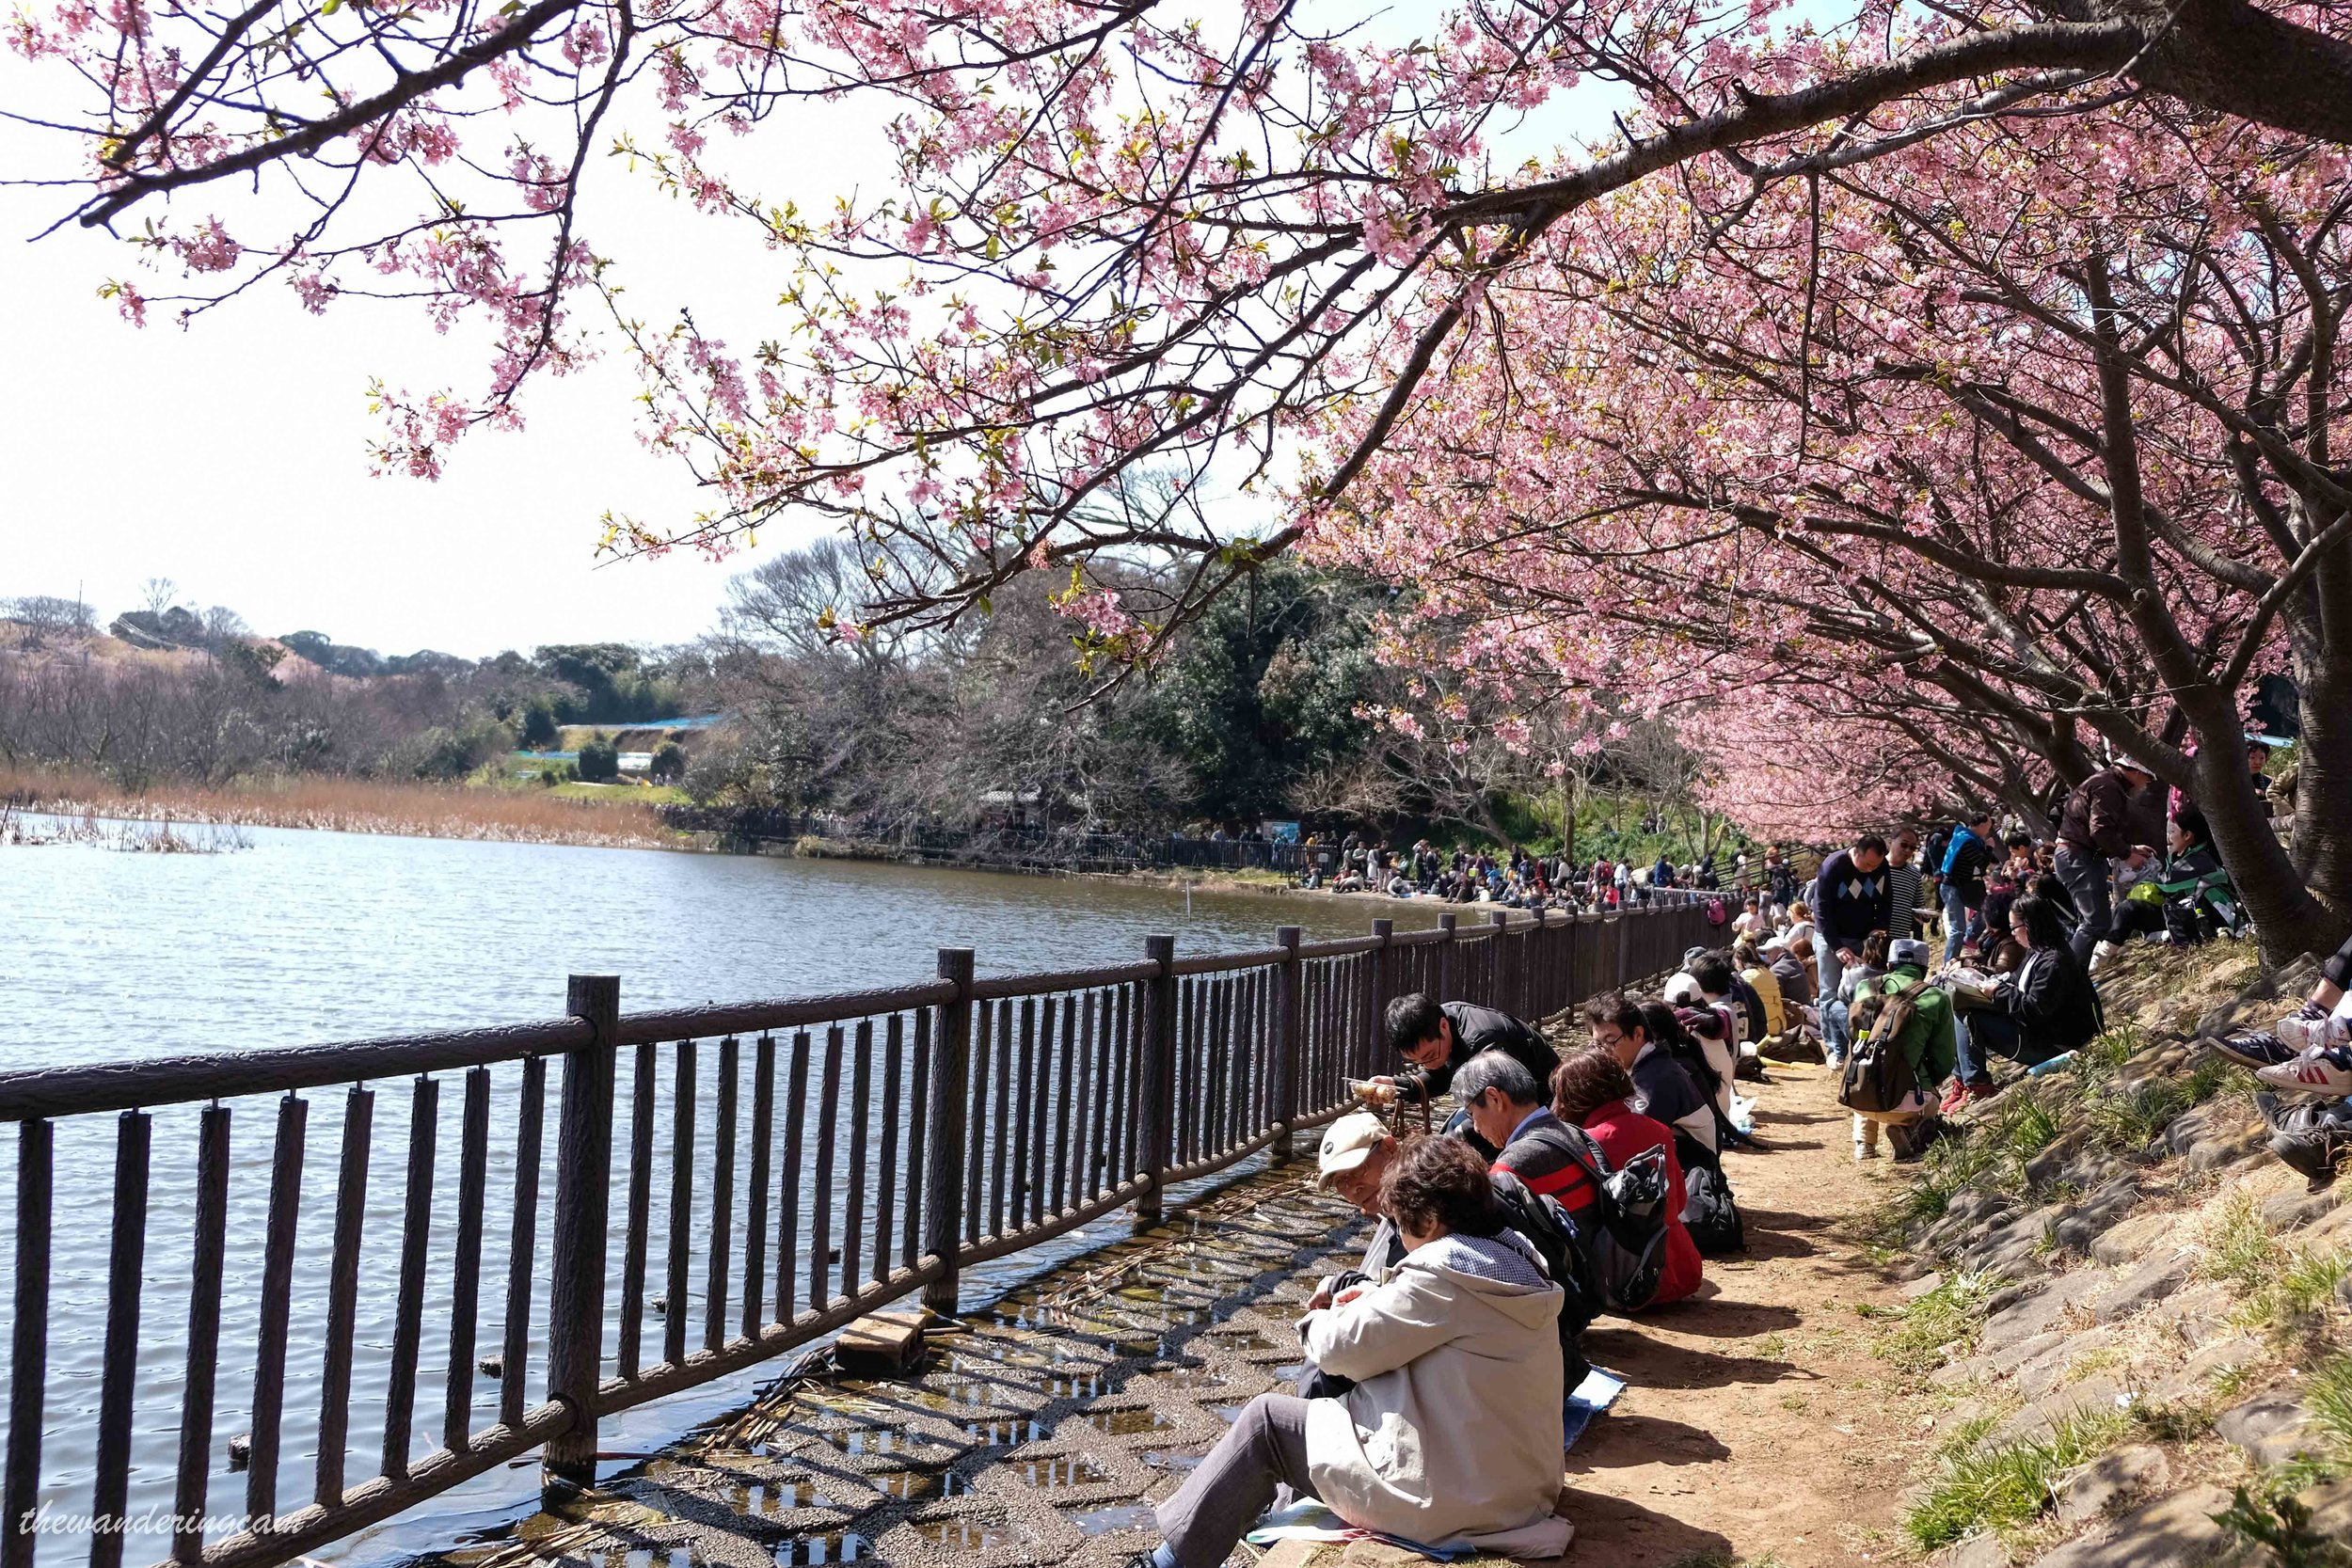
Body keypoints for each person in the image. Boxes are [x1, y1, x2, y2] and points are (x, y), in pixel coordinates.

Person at [1145, 1137, 1572, 1568]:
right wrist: (1373, 1293)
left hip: (1457, 1502)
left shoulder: (1441, 1277)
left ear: (1430, 1220)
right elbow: (1432, 1317)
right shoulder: (1514, 1259)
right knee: (1319, 1419)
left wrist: (1321, 1316)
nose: (1402, 1239)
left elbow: (1337, 1352)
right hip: (1523, 1493)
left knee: (1266, 1424)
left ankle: (1167, 1563)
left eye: (1402, 1225)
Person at [1550, 1049, 1704, 1305]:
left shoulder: (1584, 1142)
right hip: (1679, 1270)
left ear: (1576, 1097)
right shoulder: (1658, 1129)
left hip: (1622, 1283)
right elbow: (1680, 1200)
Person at [1946, 894, 2103, 1106]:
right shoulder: (2037, 952)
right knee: (1958, 1004)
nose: (2012, 933)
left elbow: (2033, 1010)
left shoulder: (2055, 961)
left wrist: (1998, 992)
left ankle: (1976, 1084)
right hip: (2039, 1032)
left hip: (2057, 1045)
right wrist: (1982, 978)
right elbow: (2016, 981)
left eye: (2014, 927)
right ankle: (1965, 1081)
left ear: (2029, 925)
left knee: (1966, 1016)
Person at [1376, 994, 1562, 1134]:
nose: (1428, 1065)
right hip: (1505, 1101)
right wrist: (1395, 1087)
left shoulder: (1482, 1042)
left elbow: (1498, 1106)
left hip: (1550, 1104)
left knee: (1457, 1136)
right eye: (1417, 1062)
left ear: (1443, 1026)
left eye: (1430, 1056)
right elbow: (1441, 1076)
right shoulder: (1441, 1024)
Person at [1846, 939, 1957, 1160]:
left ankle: (1864, 1142)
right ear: (1924, 969)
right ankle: (1910, 1130)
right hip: (1907, 1102)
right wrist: (1930, 1080)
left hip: (1857, 1095)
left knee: (1870, 1067)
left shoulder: (1864, 988)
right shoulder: (1936, 997)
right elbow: (1944, 1058)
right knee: (1931, 1095)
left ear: (1889, 965)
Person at [1585, 991, 1718, 1165]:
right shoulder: (1650, 1065)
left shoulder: (1655, 1080)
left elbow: (1636, 1141)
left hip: (1692, 1173)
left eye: (1610, 1041)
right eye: (1598, 1044)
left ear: (1638, 1034)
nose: (1603, 1051)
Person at [2055, 756, 2159, 964]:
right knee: (2096, 923)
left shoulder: (2104, 782)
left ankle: (2072, 974)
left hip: (2077, 856)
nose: (2146, 784)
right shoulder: (2108, 787)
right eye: (2147, 778)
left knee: (2090, 921)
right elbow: (2100, 830)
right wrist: (2127, 854)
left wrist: (2129, 848)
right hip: (2079, 857)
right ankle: (2069, 977)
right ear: (2136, 772)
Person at [1811, 833, 1893, 1065]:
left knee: (1861, 992)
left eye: (1875, 865)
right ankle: (1834, 1049)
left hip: (1865, 936)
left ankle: (1856, 1044)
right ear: (1855, 852)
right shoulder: (1833, 866)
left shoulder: (1881, 866)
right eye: (1866, 864)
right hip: (1832, 937)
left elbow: (1887, 901)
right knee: (1829, 993)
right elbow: (1822, 911)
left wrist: (1879, 930)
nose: (1870, 870)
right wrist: (1836, 946)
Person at [1939, 811, 1997, 963]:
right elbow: (1982, 862)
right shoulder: (1967, 841)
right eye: (1988, 826)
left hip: (1965, 885)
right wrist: (1989, 847)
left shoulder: (1967, 838)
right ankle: (1948, 964)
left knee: (1987, 910)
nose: (1988, 830)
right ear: (1982, 825)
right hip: (1954, 886)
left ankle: (1970, 937)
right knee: (1958, 929)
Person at [1884, 832, 1924, 942]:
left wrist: (1924, 914)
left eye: (1912, 848)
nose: (1907, 850)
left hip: (1900, 937)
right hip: (1874, 935)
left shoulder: (1914, 873)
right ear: (1890, 842)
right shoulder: (1875, 867)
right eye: (1904, 845)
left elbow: (1918, 905)